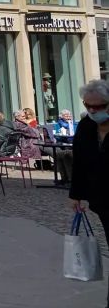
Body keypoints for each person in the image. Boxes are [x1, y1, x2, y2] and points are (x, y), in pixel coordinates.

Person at [69, 79, 109, 307]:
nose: (94, 110)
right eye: (88, 106)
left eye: (100, 106)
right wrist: (76, 194)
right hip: (102, 199)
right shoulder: (86, 127)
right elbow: (80, 163)